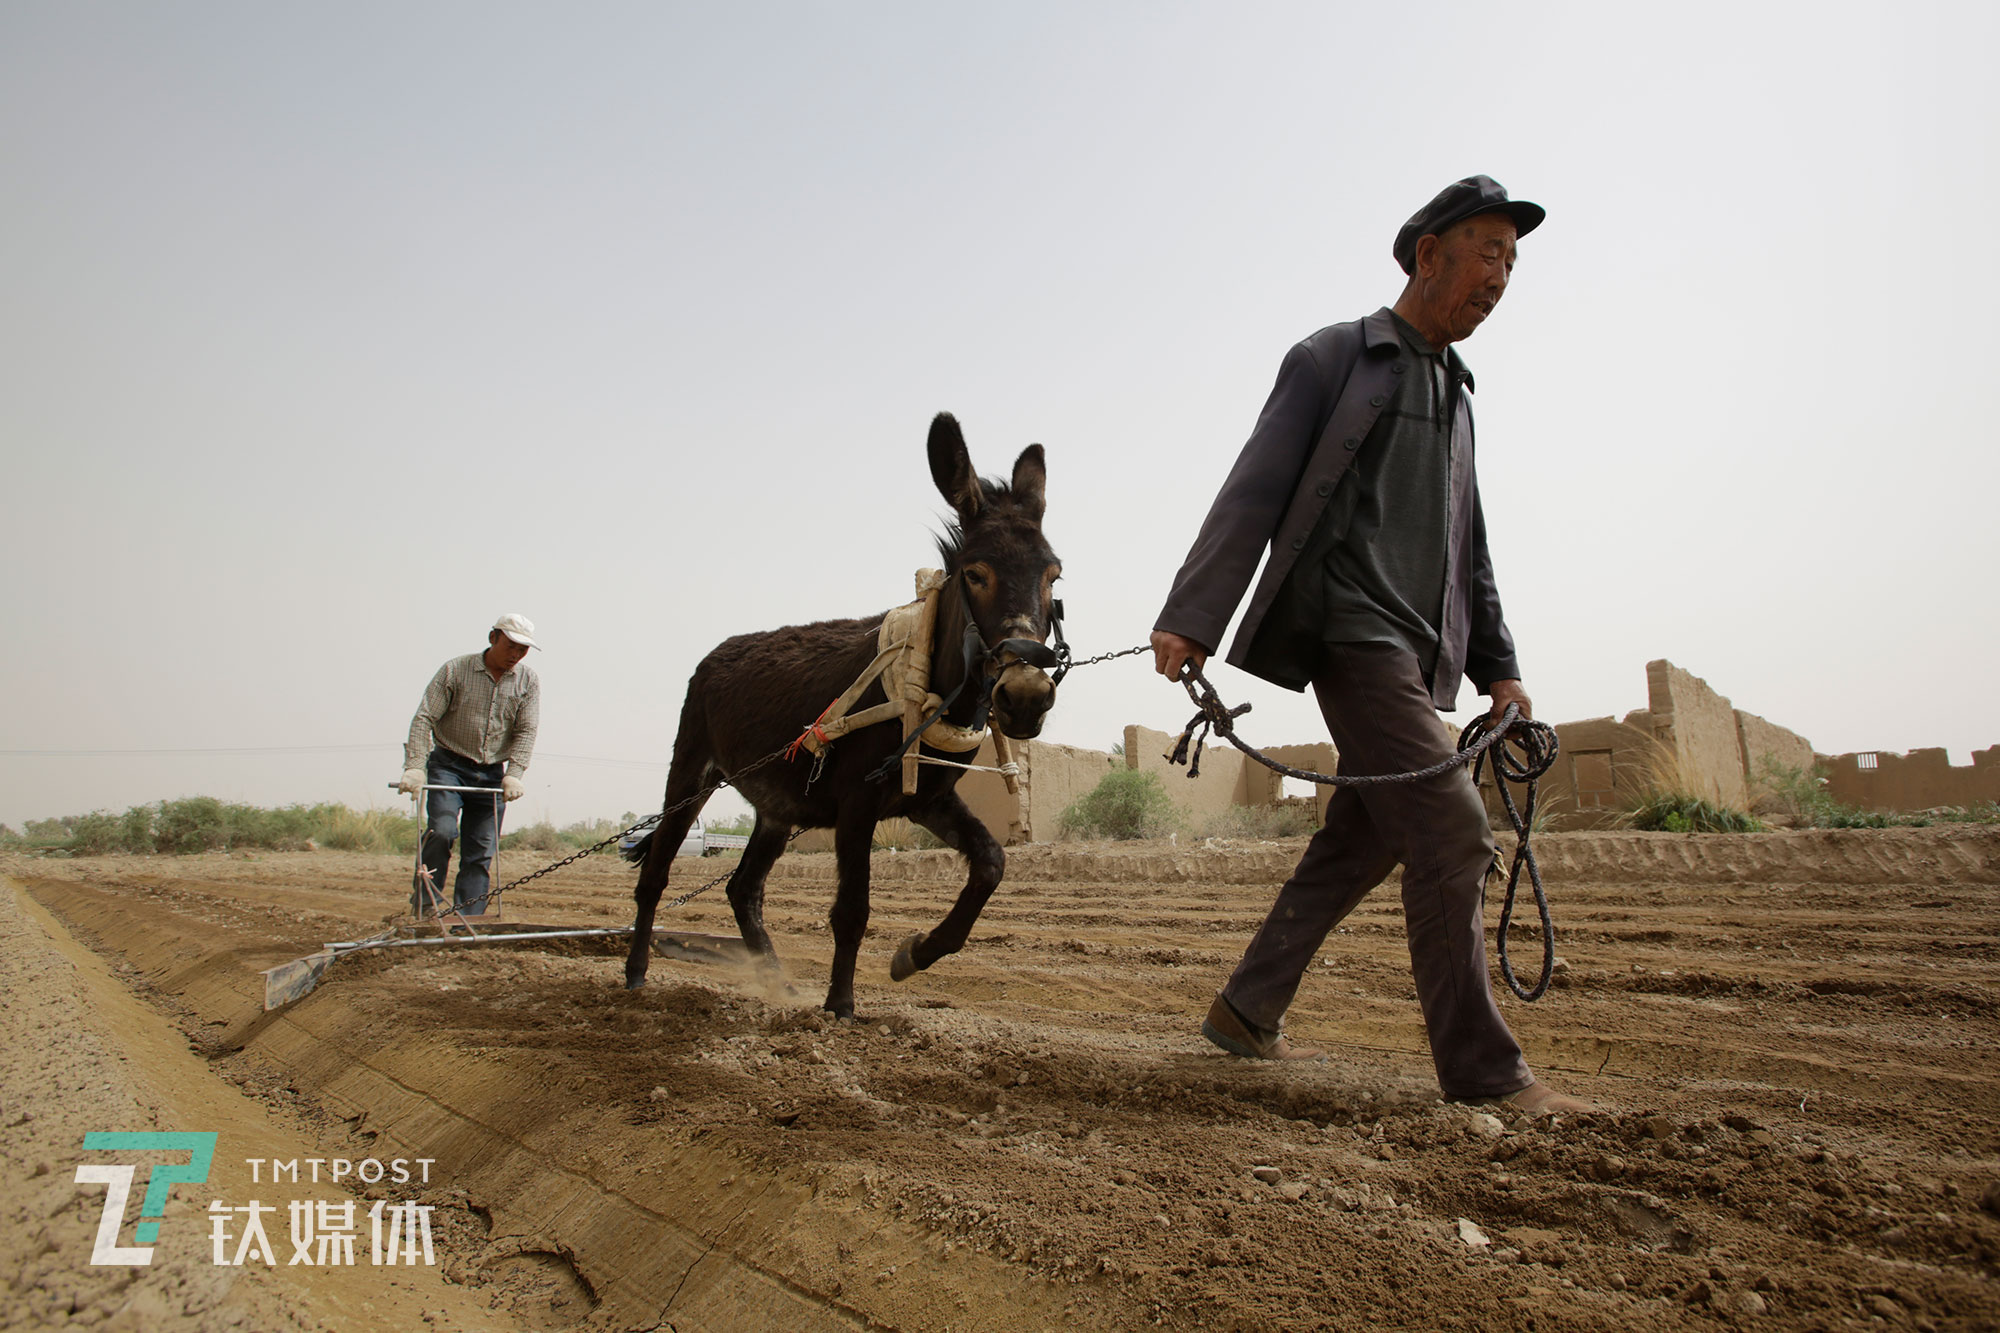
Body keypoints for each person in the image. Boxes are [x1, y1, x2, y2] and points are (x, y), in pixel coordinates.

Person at [1150, 176, 1589, 1114]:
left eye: (1513, 262)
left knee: (1360, 839)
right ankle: (1487, 1075)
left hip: (1419, 654)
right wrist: (1192, 613)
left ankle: (1246, 1008)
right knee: (1451, 830)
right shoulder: (1335, 359)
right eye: (1488, 253)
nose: (1502, 278)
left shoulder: (1457, 397)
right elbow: (1253, 487)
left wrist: (1500, 669)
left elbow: (1470, 546)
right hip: (1351, 636)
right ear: (1430, 254)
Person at [398, 614, 542, 916]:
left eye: (523, 650)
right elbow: (424, 718)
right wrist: (414, 766)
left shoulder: (528, 681)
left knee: (481, 849)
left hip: (491, 774)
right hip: (449, 765)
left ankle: (469, 920)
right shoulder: (455, 670)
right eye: (511, 646)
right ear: (493, 638)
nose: (516, 655)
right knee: (442, 830)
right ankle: (425, 909)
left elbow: (526, 730)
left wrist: (514, 774)